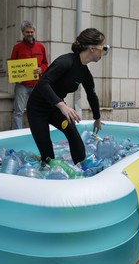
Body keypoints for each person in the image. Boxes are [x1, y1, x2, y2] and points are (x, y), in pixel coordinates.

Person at [27, 28, 109, 165]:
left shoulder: (85, 73)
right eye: (104, 48)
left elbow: (91, 95)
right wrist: (61, 105)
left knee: (73, 134)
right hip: (37, 110)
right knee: (48, 157)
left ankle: (82, 172)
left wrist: (97, 118)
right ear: (92, 48)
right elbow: (43, 84)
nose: (104, 52)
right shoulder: (65, 61)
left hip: (55, 109)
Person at [10, 20, 49, 129]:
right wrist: (15, 76)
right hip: (22, 85)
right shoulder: (17, 48)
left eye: (31, 32)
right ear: (23, 32)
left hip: (37, 84)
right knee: (18, 111)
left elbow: (46, 63)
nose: (30, 34)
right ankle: (17, 133)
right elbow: (12, 65)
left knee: (36, 110)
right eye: (27, 32)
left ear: (34, 31)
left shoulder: (41, 47)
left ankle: (37, 131)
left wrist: (41, 69)